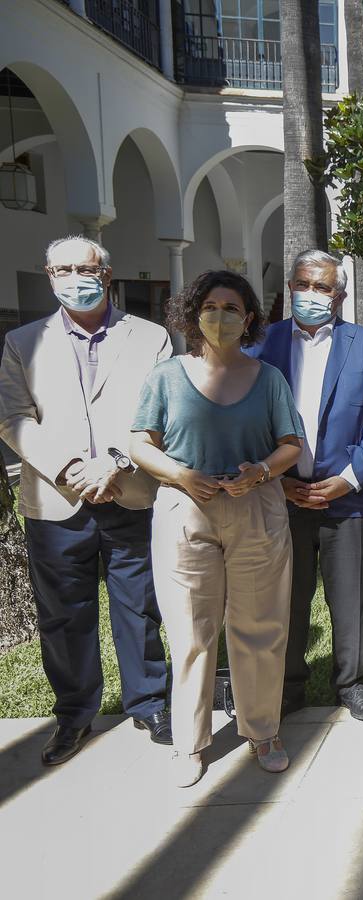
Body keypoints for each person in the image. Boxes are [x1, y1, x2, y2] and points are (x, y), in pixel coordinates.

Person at [0, 236, 173, 765]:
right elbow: (13, 418)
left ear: (108, 272)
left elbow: (163, 411)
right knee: (63, 616)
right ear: (49, 277)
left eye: (87, 268)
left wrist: (116, 460)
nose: (76, 277)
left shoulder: (152, 337)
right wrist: (71, 468)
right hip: (56, 502)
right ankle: (74, 714)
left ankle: (149, 703)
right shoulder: (22, 341)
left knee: (140, 608)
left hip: (130, 492)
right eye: (64, 269)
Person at [130, 269, 304, 787]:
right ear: (193, 312)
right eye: (211, 306)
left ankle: (262, 730)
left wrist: (262, 471)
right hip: (186, 512)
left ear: (249, 318)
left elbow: (290, 444)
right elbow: (141, 443)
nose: (220, 317)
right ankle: (190, 741)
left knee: (260, 627)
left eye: (232, 308)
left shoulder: (268, 377)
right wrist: (181, 474)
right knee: (189, 631)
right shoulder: (166, 375)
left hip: (256, 510)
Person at [248, 250, 363, 722]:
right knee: (286, 596)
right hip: (282, 499)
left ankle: (352, 682)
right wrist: (278, 480)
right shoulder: (264, 343)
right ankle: (289, 683)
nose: (311, 295)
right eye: (303, 284)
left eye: (324, 288)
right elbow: (246, 419)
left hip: (349, 499)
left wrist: (346, 481)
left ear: (340, 296)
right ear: (290, 286)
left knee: (351, 596)